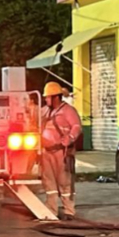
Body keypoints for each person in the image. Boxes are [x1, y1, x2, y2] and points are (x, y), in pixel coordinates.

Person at [40, 82, 83, 220]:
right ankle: (51, 210)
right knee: (49, 182)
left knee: (65, 182)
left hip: (61, 152)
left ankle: (69, 211)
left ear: (55, 97)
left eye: (47, 97)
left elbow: (76, 126)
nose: (46, 100)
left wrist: (70, 138)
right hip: (47, 152)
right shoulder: (45, 110)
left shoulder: (68, 110)